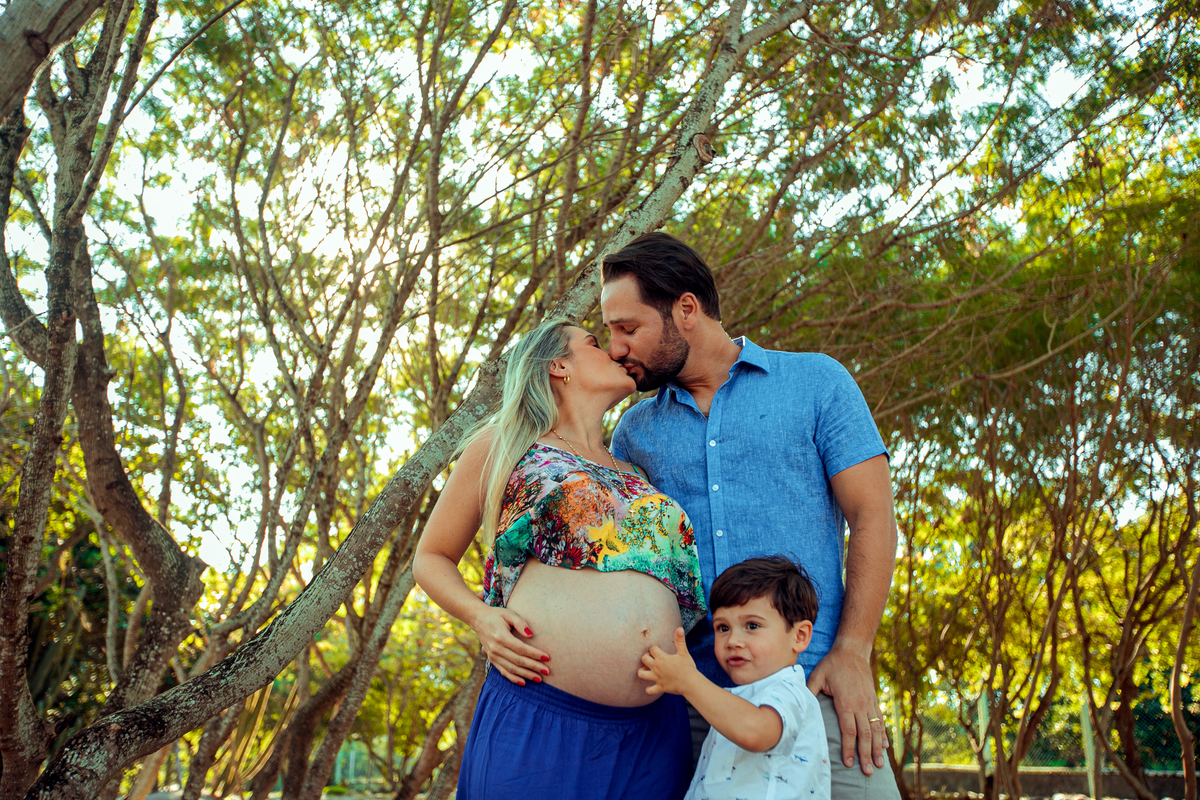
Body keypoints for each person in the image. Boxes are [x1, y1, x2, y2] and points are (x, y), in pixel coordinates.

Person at [601, 232, 901, 800]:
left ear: (685, 309)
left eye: (627, 327)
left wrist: (854, 653)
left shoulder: (818, 384)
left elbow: (873, 516)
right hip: (689, 702)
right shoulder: (635, 434)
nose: (616, 347)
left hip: (816, 687)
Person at [412, 318, 707, 800]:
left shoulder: (635, 469)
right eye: (594, 342)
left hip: (657, 732)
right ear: (559, 366)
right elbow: (431, 556)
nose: (614, 350)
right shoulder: (506, 445)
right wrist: (481, 617)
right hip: (543, 717)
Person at [639, 556, 831, 800]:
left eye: (752, 625)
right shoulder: (734, 698)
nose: (733, 641)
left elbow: (755, 731)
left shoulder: (790, 693)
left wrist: (688, 681)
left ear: (799, 636)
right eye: (723, 628)